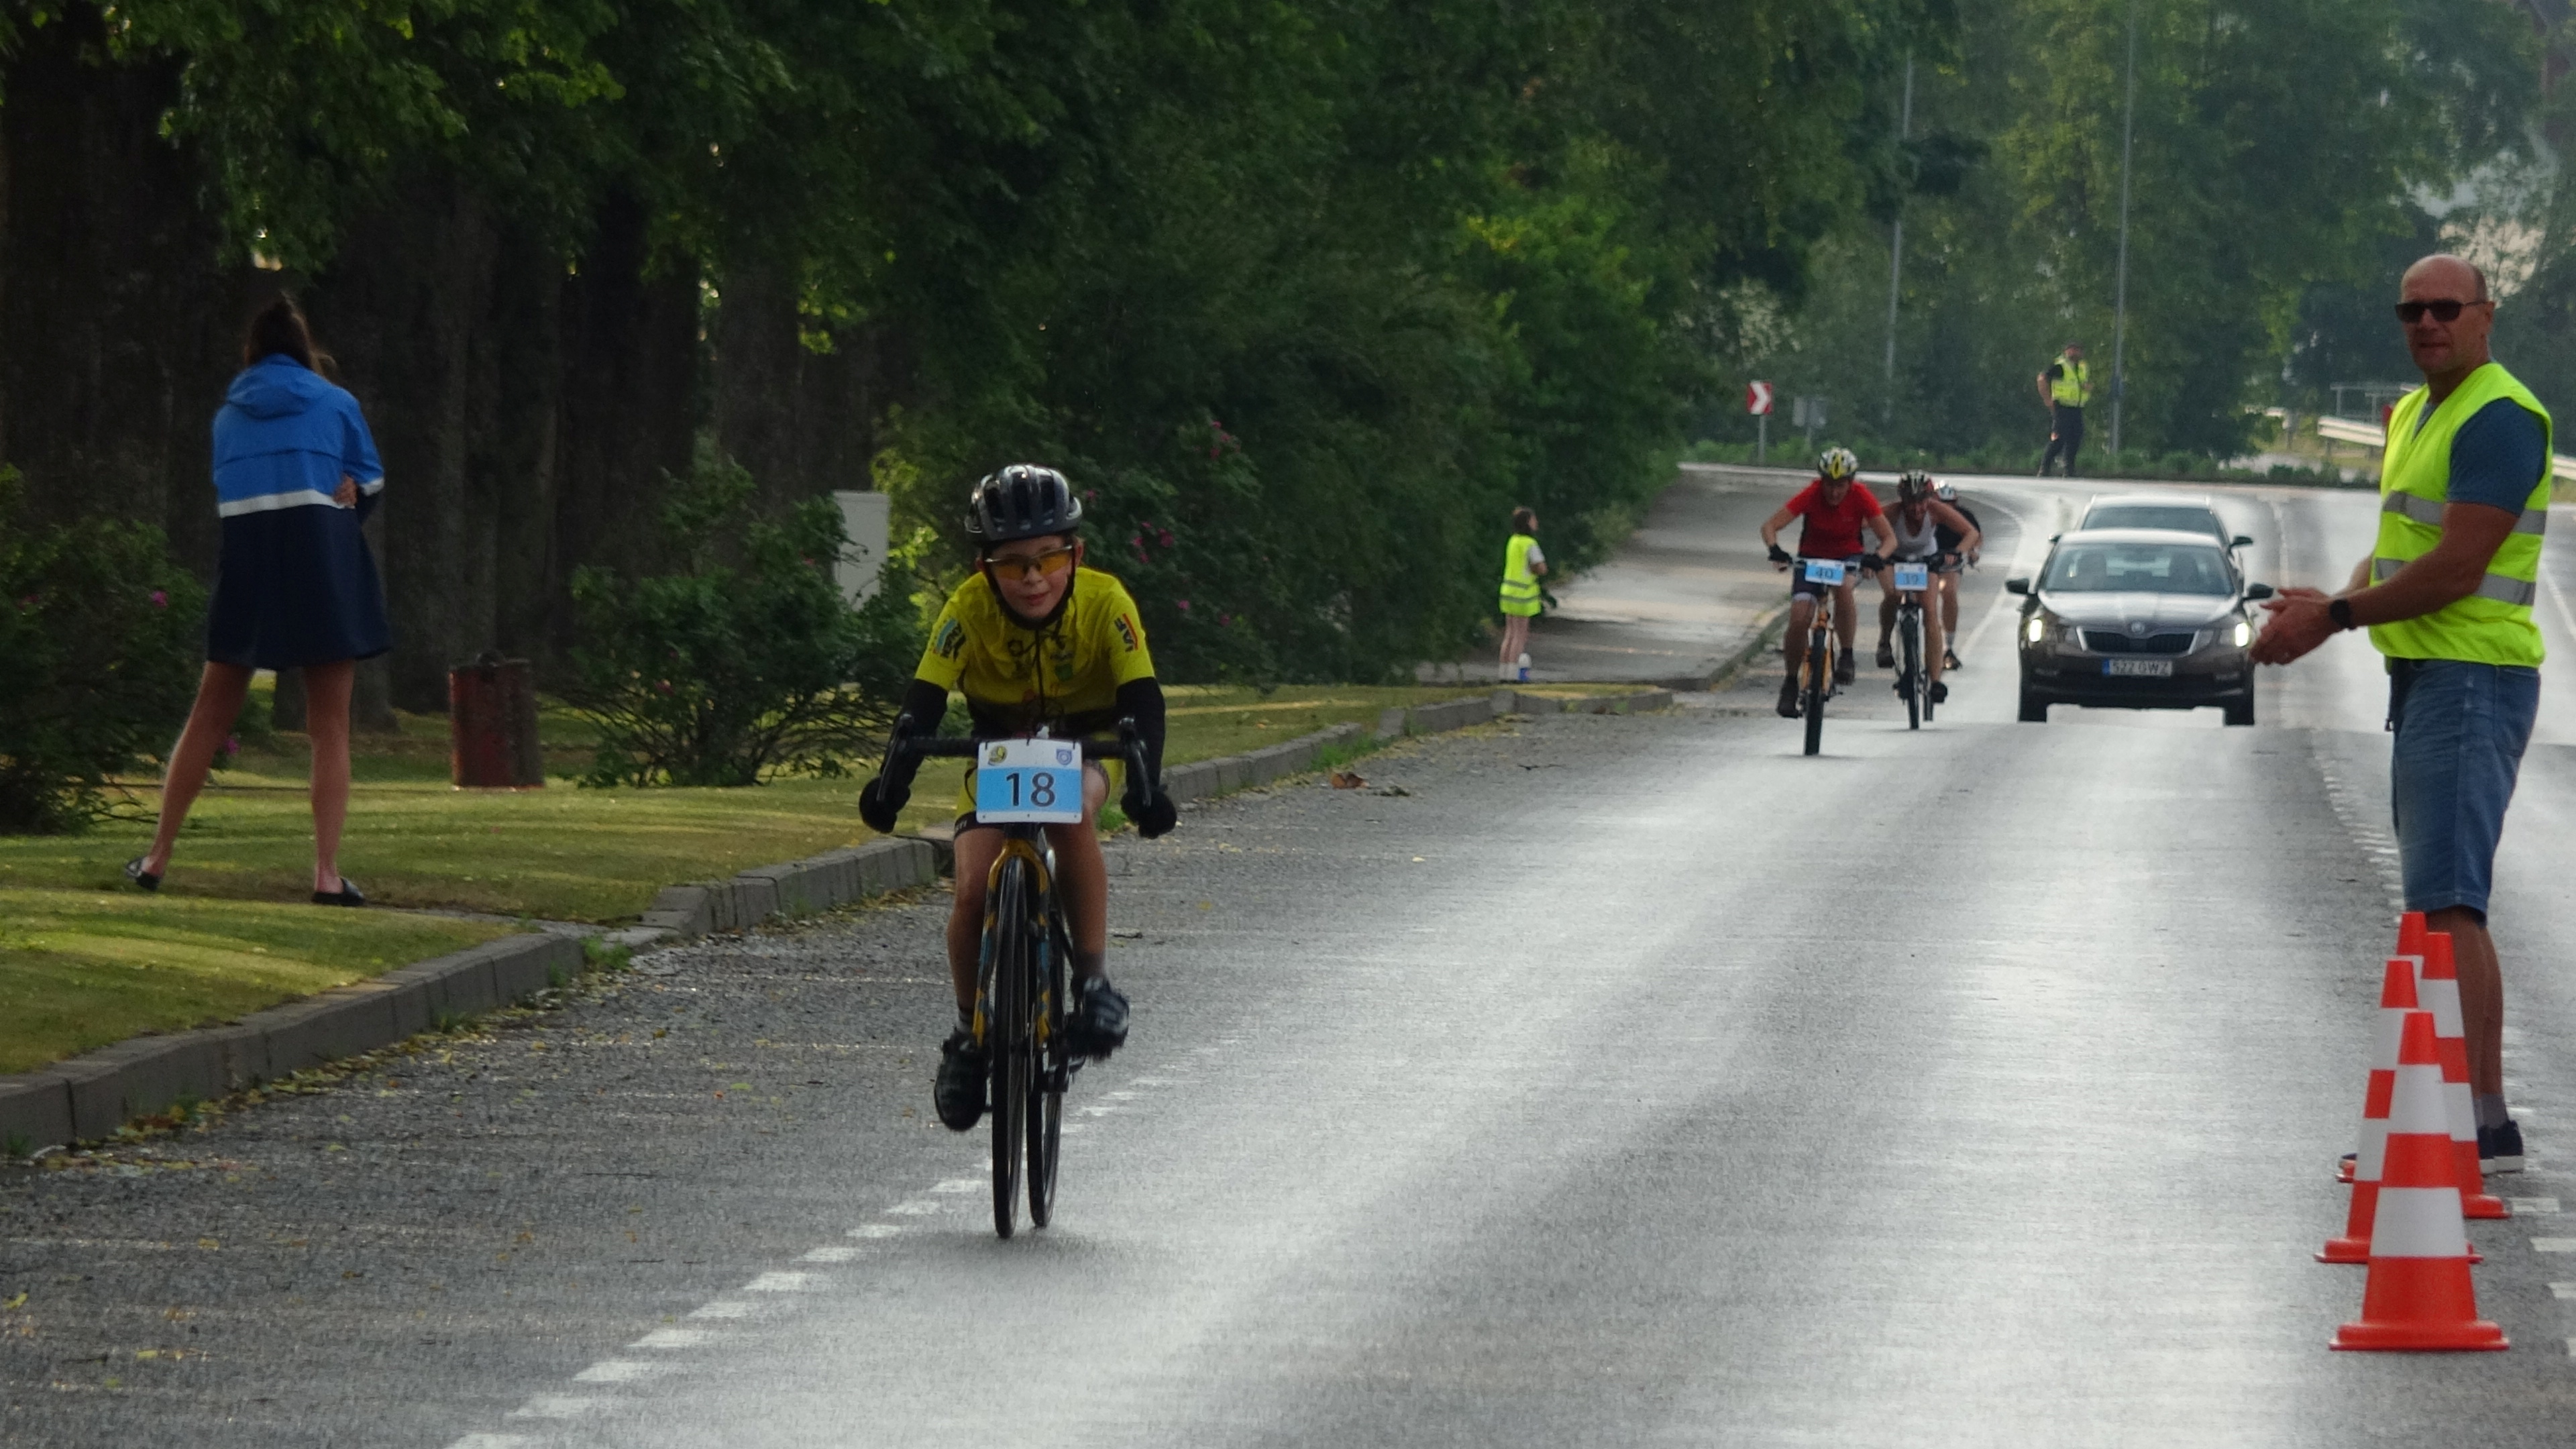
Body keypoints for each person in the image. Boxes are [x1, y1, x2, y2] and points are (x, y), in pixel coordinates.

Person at [2251, 253, 2546, 1173]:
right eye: (2411, 311)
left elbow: (2457, 567)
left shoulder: (2499, 415)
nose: (2427, 324)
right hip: (2432, 677)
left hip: (2471, 674)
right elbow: (2399, 554)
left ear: (2485, 315)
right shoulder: (2417, 411)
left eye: (2446, 309)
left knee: (2448, 905)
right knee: (2445, 904)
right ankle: (2476, 1117)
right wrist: (2331, 602)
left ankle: (2471, 1122)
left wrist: (2334, 619)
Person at [856, 464, 1177, 1132]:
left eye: (1048, 560)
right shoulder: (965, 609)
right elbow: (923, 702)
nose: (1033, 579)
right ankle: (968, 1036)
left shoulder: (1108, 601)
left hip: (1083, 742)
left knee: (1072, 812)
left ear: (1075, 555)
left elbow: (1144, 699)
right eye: (1012, 566)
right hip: (998, 748)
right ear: (984, 568)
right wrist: (892, 782)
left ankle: (1092, 981)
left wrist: (1148, 785)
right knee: (973, 888)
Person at [126, 295, 388, 907]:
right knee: (330, 725)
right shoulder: (337, 404)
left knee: (209, 713)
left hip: (249, 561)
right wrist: (343, 495)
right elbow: (369, 480)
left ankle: (157, 858)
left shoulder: (227, 417)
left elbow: (229, 487)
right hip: (322, 562)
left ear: (252, 351)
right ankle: (326, 874)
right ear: (304, 347)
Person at [1760, 447, 1897, 718]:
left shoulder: (1861, 496)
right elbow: (1770, 526)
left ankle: (1846, 654)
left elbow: (1890, 539)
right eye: (1829, 485)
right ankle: (1790, 682)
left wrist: (1877, 558)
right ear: (1821, 481)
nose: (1834, 493)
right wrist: (1775, 550)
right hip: (1811, 558)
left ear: (1851, 483)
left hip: (1847, 558)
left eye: (1841, 486)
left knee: (1844, 589)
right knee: (1799, 618)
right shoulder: (1811, 494)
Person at [1873, 473, 1981, 705]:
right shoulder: (1892, 511)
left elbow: (1971, 533)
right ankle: (1884, 642)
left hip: (1926, 560)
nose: (1916, 509)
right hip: (1894, 558)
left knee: (1930, 612)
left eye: (1922, 502)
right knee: (1893, 594)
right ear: (1902, 499)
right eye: (1910, 502)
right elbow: (1860, 523)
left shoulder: (1935, 510)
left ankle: (1935, 681)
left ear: (1930, 499)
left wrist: (1957, 553)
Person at [1934, 482, 1983, 669]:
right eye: (1942, 504)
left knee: (1948, 591)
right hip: (1925, 560)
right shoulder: (1924, 515)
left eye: (1951, 504)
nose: (1947, 509)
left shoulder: (1964, 516)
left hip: (1951, 561)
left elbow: (1976, 535)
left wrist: (1973, 551)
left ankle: (1948, 647)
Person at [1498, 507, 1547, 682]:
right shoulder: (1529, 544)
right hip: (1523, 594)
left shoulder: (1513, 541)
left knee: (1509, 633)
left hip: (1508, 591)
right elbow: (1541, 568)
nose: (1536, 522)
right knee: (1520, 635)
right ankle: (1513, 674)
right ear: (1527, 522)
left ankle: (1503, 672)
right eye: (1533, 520)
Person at [2037, 342, 2090, 476]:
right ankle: (2045, 468)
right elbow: (2042, 379)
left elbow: (2078, 383)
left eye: (2078, 350)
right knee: (2058, 439)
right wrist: (2047, 399)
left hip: (2076, 407)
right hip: (2062, 407)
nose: (2076, 353)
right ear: (2067, 351)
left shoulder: (2082, 367)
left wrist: (2086, 387)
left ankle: (2069, 469)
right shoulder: (2060, 366)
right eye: (2073, 350)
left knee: (2075, 438)